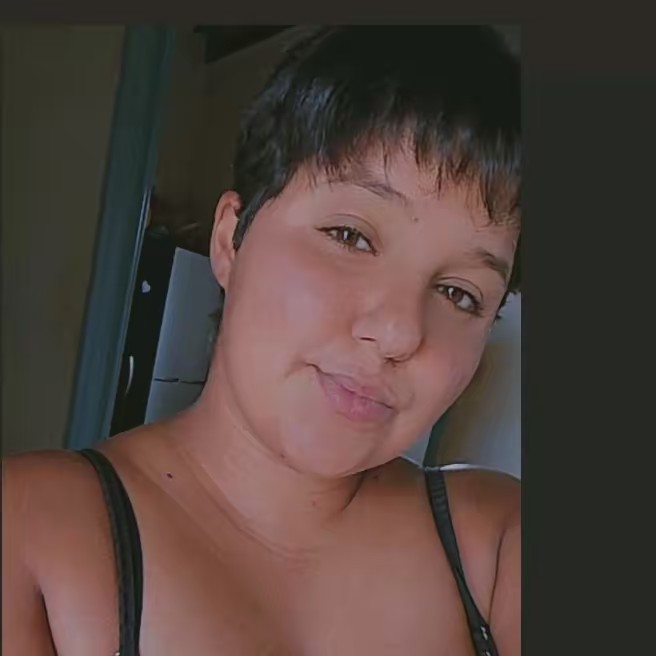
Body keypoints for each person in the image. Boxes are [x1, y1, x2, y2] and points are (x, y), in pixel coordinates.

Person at [2, 26, 521, 656]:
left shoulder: (499, 546)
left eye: (460, 294)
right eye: (350, 236)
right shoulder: (28, 537)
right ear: (231, 240)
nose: (398, 332)